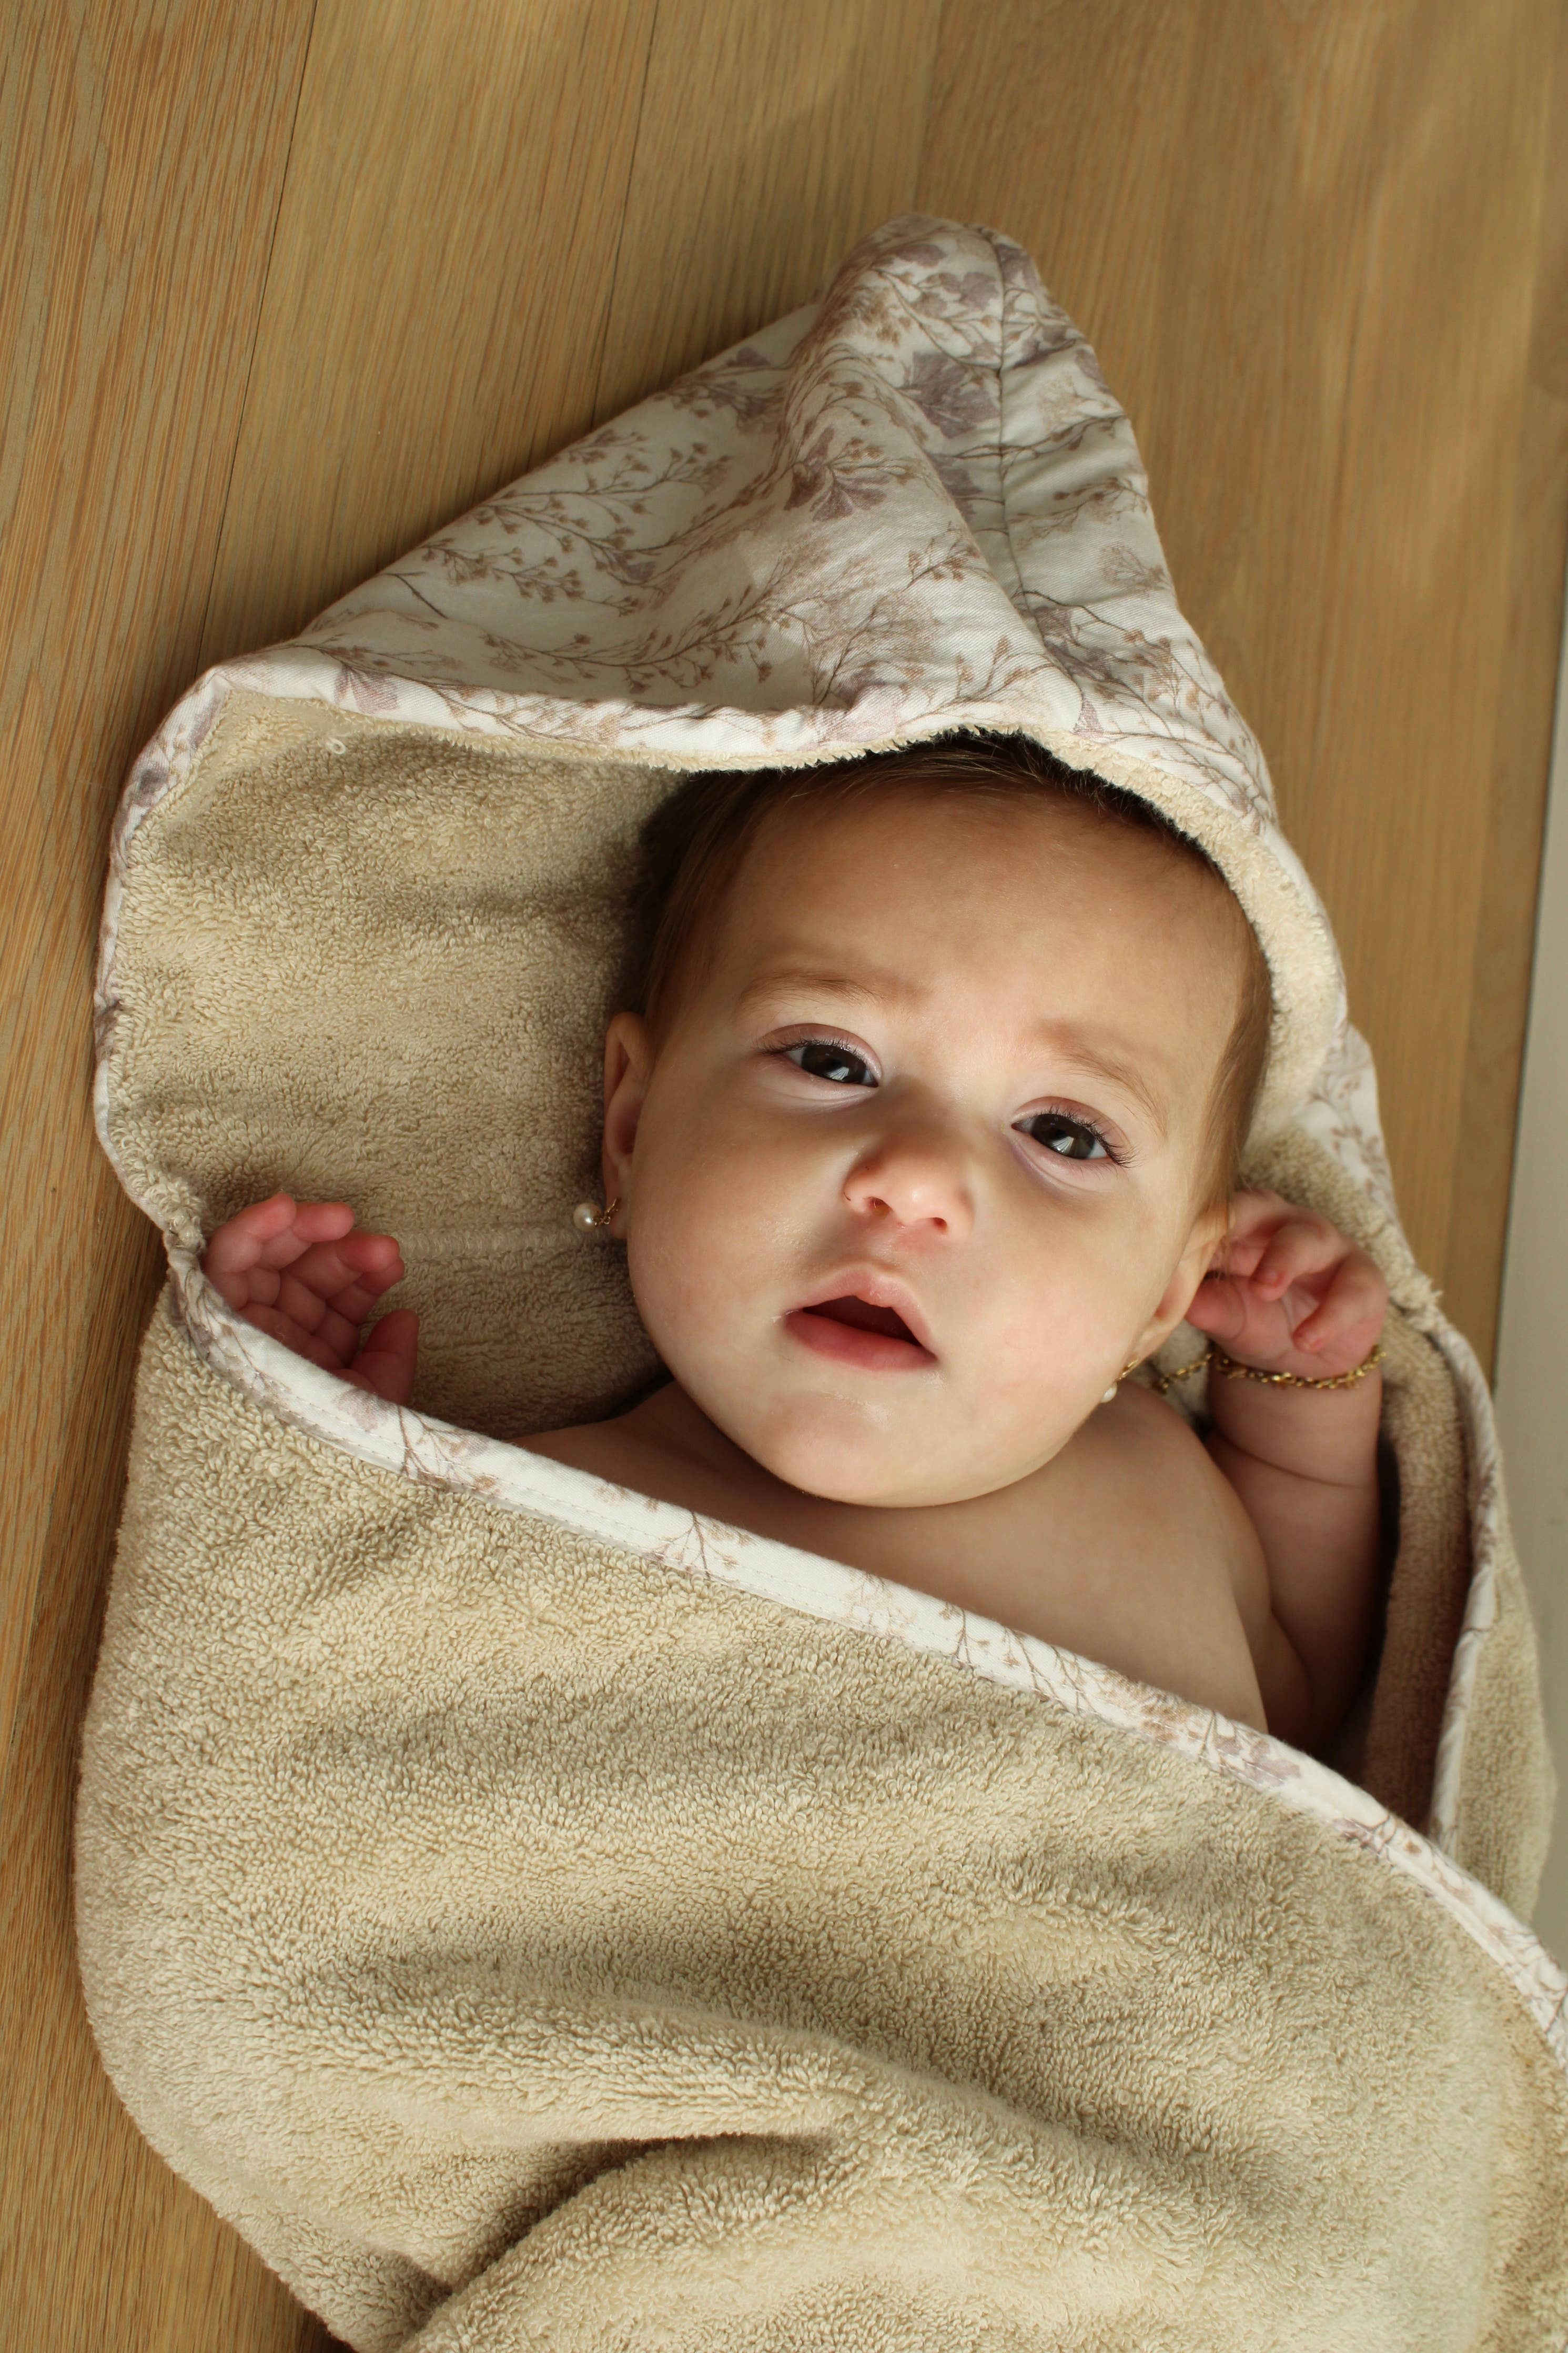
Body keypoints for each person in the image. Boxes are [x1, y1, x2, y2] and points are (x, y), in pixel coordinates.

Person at [198, 735, 1388, 1757]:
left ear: (1162, 1297)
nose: (917, 1180)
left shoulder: (1164, 1487)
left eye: (1065, 1133)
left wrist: (1306, 1410)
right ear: (631, 1130)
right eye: (832, 1061)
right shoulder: (524, 1504)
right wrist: (313, 1446)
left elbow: (1316, 1706)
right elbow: (300, 1701)